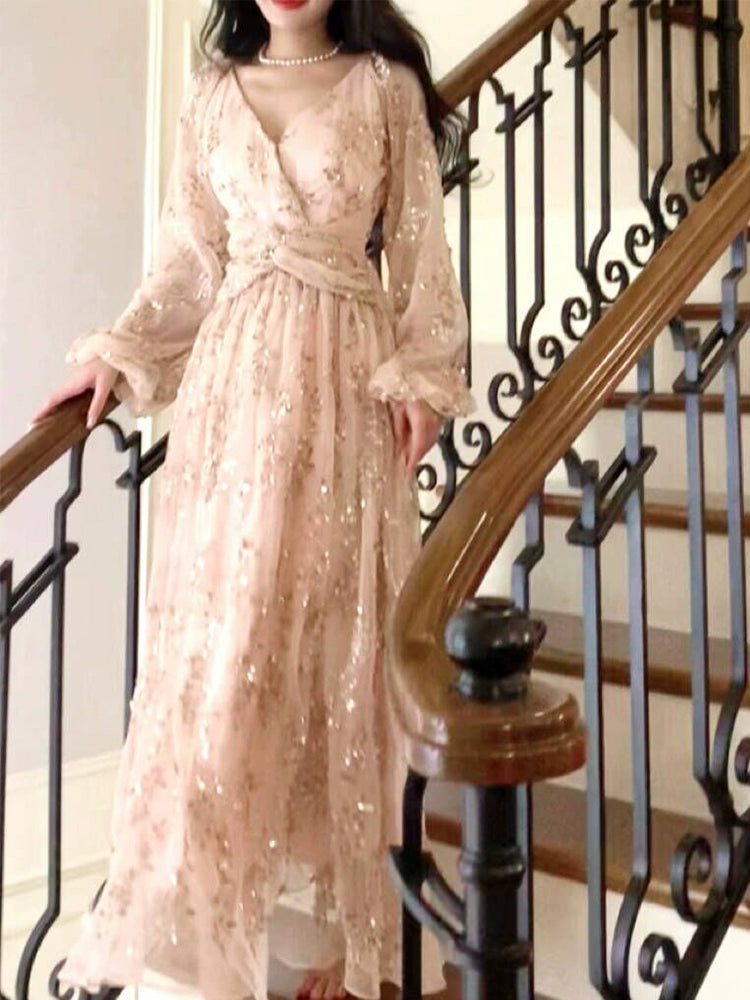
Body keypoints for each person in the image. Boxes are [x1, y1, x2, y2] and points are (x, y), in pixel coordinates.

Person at [30, 1, 474, 997]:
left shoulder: (385, 89)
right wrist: (121, 355)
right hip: (232, 405)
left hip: (344, 395)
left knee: (342, 647)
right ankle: (208, 928)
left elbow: (422, 263)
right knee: (228, 649)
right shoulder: (209, 96)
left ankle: (359, 942)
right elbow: (188, 266)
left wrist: (422, 378)